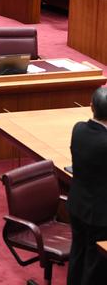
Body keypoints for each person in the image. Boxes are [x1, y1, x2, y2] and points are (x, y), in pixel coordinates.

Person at [67, 87, 107, 285]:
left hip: (77, 205)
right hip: (100, 215)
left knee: (78, 253)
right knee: (94, 263)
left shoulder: (78, 129)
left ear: (91, 107)